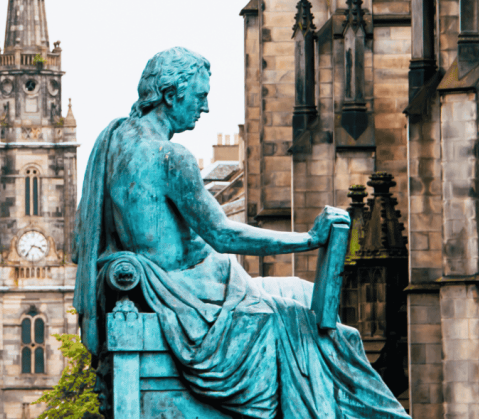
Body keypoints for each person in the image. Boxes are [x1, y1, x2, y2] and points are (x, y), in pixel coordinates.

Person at [73, 47, 409, 419]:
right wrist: (309, 240)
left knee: (302, 293)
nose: (205, 108)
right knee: (311, 320)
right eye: (200, 96)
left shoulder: (117, 140)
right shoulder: (170, 157)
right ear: (170, 95)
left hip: (181, 286)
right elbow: (222, 234)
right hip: (190, 294)